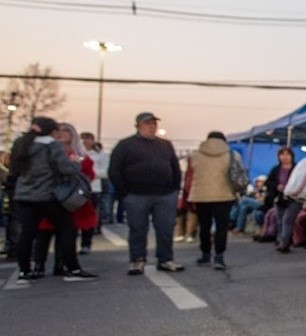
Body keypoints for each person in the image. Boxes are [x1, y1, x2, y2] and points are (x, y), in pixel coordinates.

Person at [9, 117, 97, 283]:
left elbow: (14, 169)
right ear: (52, 131)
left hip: (24, 195)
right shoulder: (52, 145)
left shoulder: (22, 143)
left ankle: (24, 271)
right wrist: (75, 163)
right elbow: (65, 168)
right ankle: (73, 268)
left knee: (27, 234)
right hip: (47, 195)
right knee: (68, 229)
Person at [109, 111, 185, 274]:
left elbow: (175, 167)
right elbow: (114, 170)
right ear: (138, 126)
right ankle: (137, 259)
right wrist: (124, 192)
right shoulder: (125, 145)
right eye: (147, 123)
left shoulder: (165, 145)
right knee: (138, 228)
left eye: (153, 124)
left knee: (165, 229)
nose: (151, 127)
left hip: (165, 194)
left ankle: (165, 259)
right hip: (136, 194)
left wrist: (174, 189)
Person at [31, 123, 99, 271]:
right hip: (48, 196)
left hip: (69, 199)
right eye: (58, 130)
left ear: (72, 134)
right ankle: (38, 265)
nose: (61, 133)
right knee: (44, 231)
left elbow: (89, 175)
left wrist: (77, 168)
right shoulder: (47, 151)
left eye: (65, 130)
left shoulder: (81, 155)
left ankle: (61, 263)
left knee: (67, 232)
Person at [187, 131, 237, 270]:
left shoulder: (195, 155)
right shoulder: (232, 154)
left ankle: (205, 254)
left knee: (204, 226)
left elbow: (190, 176)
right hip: (224, 195)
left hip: (201, 196)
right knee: (221, 227)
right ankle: (219, 257)